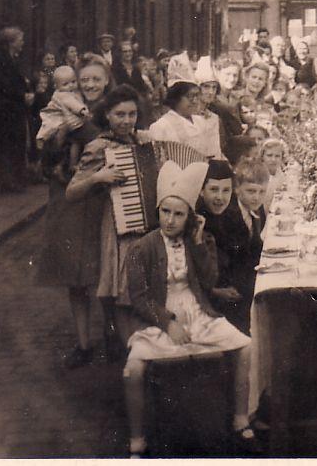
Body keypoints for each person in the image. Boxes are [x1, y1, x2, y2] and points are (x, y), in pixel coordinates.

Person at [122, 160, 256, 458]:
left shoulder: (199, 239)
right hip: (159, 314)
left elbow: (209, 282)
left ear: (189, 217)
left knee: (244, 347)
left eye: (178, 214)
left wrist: (197, 244)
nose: (170, 220)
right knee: (133, 369)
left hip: (197, 309)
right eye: (165, 212)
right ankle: (137, 438)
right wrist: (168, 323)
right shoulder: (142, 247)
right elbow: (139, 297)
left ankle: (239, 418)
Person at [38, 53, 114, 369]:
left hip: (103, 197)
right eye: (85, 80)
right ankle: (83, 343)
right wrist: (60, 134)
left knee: (108, 271)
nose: (90, 85)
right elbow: (45, 156)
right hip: (70, 198)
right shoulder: (64, 108)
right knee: (75, 274)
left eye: (97, 79)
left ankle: (114, 338)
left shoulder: (115, 110)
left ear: (107, 81)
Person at [66, 85, 150, 362]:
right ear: (107, 115)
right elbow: (72, 191)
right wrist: (97, 178)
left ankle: (134, 343)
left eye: (132, 114)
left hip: (145, 224)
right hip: (115, 225)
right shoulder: (98, 147)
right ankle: (123, 345)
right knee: (120, 287)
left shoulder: (143, 141)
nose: (127, 121)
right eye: (120, 114)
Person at [209, 160, 269, 335]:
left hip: (243, 275)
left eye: (261, 192)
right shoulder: (228, 213)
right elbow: (229, 258)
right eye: (251, 191)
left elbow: (254, 246)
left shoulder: (256, 210)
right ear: (237, 189)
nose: (256, 197)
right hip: (229, 284)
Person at [0, 26, 34, 193]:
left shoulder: (15, 57)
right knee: (8, 145)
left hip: (16, 108)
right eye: (20, 40)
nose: (23, 43)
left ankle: (17, 178)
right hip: (5, 110)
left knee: (18, 144)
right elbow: (2, 84)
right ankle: (8, 181)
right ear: (11, 42)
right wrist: (22, 95)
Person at [149, 81, 224, 160]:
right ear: (176, 98)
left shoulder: (201, 122)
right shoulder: (161, 126)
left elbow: (214, 153)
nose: (195, 101)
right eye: (190, 97)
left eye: (197, 96)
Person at [36, 65, 89, 155]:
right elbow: (72, 104)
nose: (70, 86)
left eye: (73, 82)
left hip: (62, 114)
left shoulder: (70, 91)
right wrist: (82, 110)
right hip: (55, 113)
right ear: (56, 86)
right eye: (65, 84)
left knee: (52, 127)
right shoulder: (64, 95)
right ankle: (41, 138)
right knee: (50, 126)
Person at [258, 138, 286, 212]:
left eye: (277, 156)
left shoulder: (279, 173)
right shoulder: (259, 175)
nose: (273, 159)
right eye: (269, 155)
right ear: (262, 157)